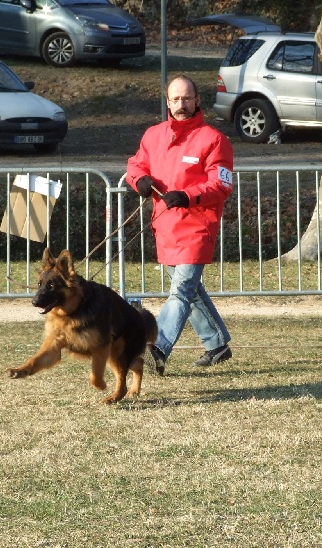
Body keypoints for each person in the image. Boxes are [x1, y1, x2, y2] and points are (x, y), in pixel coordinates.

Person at [126, 74, 234, 375]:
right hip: (165, 226)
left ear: (197, 100)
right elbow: (135, 166)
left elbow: (222, 185)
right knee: (190, 290)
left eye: (187, 98)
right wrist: (140, 181)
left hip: (198, 227)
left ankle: (158, 348)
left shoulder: (214, 140)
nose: (181, 104)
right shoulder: (153, 135)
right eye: (175, 98)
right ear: (167, 101)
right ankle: (217, 344)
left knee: (181, 291)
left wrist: (187, 196)